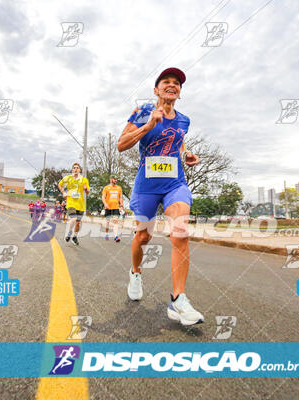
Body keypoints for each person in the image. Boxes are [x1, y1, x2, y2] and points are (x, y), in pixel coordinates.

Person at [117, 67, 203, 326]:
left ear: (179, 91)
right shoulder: (142, 111)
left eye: (176, 83)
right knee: (143, 235)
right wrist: (148, 125)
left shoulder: (184, 120)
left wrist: (187, 155)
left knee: (180, 231)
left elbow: (178, 142)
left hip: (175, 183)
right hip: (147, 184)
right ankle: (135, 272)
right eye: (166, 81)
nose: (172, 85)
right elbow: (121, 145)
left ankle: (178, 299)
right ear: (156, 89)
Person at [58, 163, 90, 245]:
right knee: (74, 218)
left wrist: (85, 189)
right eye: (74, 168)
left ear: (80, 170)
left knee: (78, 222)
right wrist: (63, 192)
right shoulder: (68, 178)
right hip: (71, 202)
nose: (76, 169)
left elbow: (88, 192)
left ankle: (75, 237)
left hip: (81, 204)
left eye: (77, 168)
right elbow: (60, 185)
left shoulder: (84, 180)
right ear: (72, 170)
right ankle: (69, 233)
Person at [102, 176, 124, 242]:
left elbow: (120, 197)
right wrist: (105, 204)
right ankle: (106, 234)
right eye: (114, 179)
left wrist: (121, 205)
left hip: (116, 207)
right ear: (110, 179)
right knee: (107, 222)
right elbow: (103, 197)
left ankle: (116, 236)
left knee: (115, 221)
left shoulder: (119, 188)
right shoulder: (106, 188)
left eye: (116, 179)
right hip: (108, 207)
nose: (115, 180)